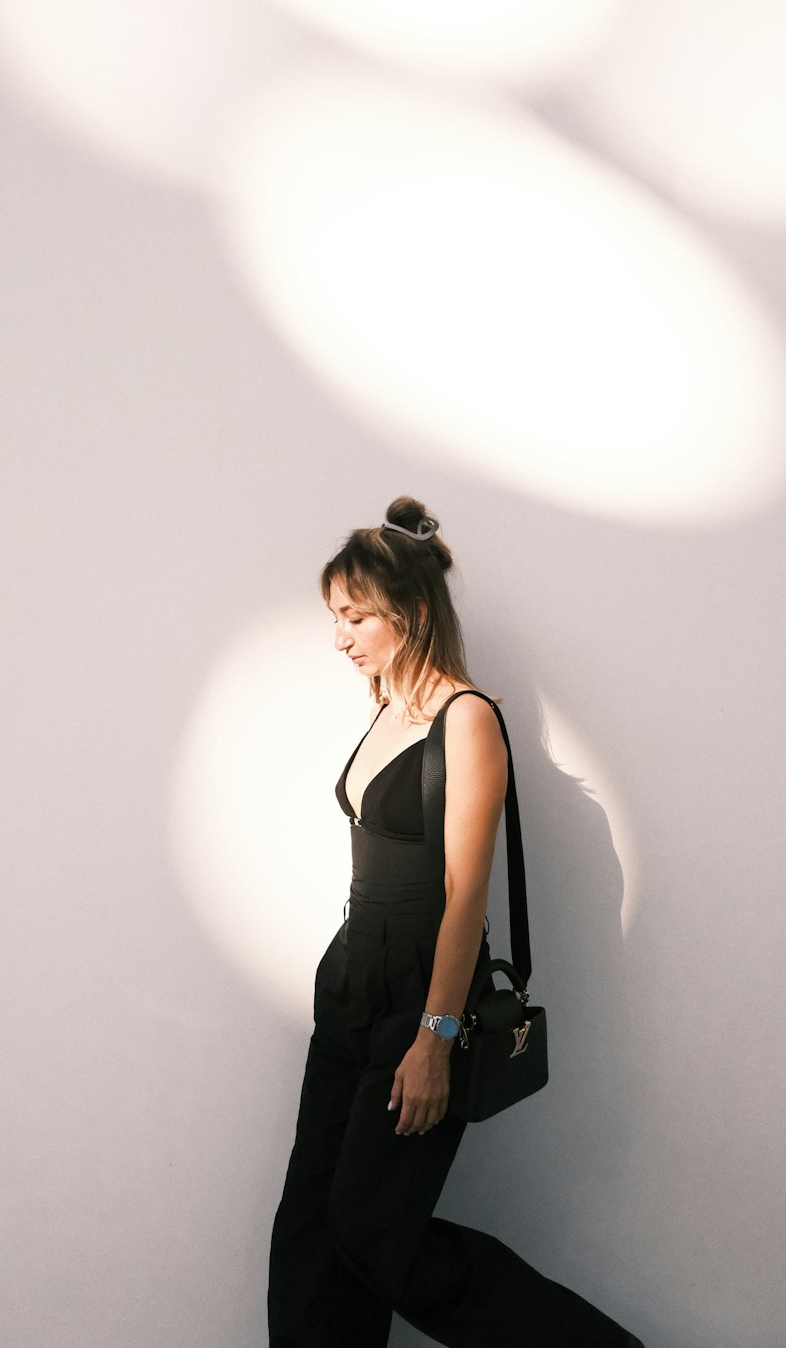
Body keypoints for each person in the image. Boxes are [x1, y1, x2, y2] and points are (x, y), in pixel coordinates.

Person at [267, 497, 644, 1348]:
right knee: (310, 1226)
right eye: (336, 616)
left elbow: (464, 897)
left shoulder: (465, 719)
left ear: (416, 610)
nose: (341, 637)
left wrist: (434, 1037)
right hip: (354, 976)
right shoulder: (387, 711)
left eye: (357, 615)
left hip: (419, 992)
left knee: (371, 1227)